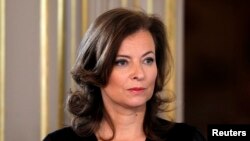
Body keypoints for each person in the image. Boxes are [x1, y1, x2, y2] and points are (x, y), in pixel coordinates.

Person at [43, 8, 206, 141]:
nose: (139, 74)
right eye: (122, 62)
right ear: (95, 69)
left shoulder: (188, 137)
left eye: (148, 60)